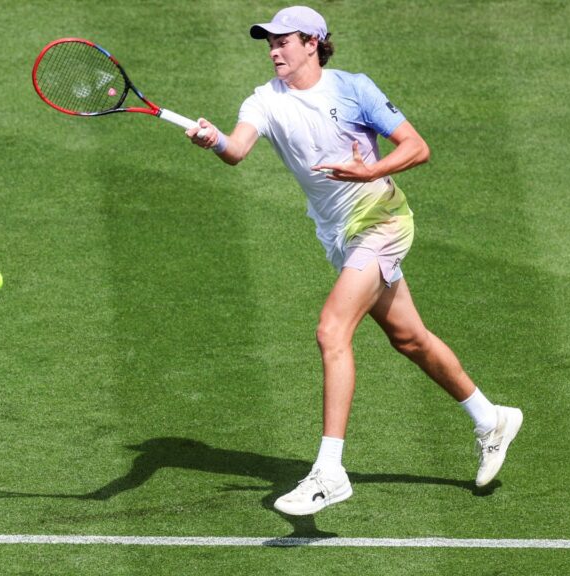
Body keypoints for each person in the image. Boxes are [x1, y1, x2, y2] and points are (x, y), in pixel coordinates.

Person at [187, 6, 523, 516]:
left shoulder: (354, 88)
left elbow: (417, 147)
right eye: (269, 42)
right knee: (408, 338)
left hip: (383, 220)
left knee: (331, 330)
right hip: (338, 235)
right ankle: (490, 418)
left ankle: (330, 471)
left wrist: (369, 172)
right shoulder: (263, 100)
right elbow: (237, 150)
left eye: (284, 40)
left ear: (313, 43)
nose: (274, 50)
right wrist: (212, 140)